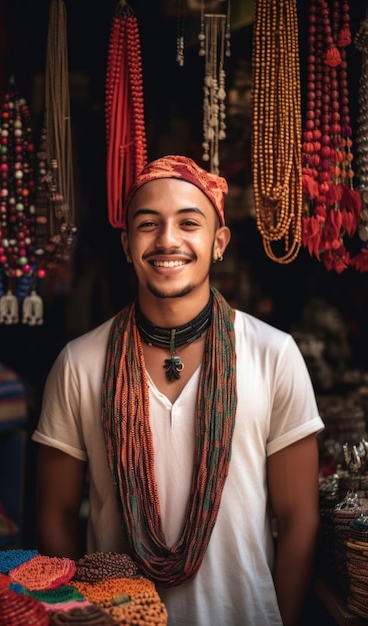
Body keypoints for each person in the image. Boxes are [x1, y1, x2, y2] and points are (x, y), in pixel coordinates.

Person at [32, 155, 325, 626]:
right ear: (127, 244)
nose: (168, 239)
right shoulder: (80, 363)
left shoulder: (274, 355)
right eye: (148, 224)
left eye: (189, 222)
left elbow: (299, 522)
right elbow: (56, 515)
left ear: (219, 242)